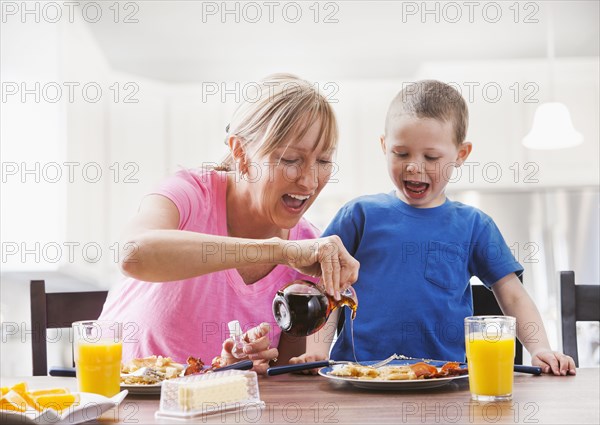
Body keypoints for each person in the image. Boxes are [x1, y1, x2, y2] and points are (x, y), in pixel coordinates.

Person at [291, 80, 576, 376]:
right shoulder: (358, 216)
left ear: (461, 155)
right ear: (384, 146)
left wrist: (540, 348)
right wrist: (316, 353)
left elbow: (513, 294)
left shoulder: (474, 226)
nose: (414, 167)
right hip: (360, 376)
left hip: (446, 379)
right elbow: (327, 290)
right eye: (401, 154)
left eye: (431, 157)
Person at [99, 73, 359, 374]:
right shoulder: (190, 193)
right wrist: (279, 251)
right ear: (240, 153)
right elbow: (133, 253)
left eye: (324, 162)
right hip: (120, 399)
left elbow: (293, 372)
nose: (310, 181)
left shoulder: (311, 251)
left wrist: (252, 366)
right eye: (290, 160)